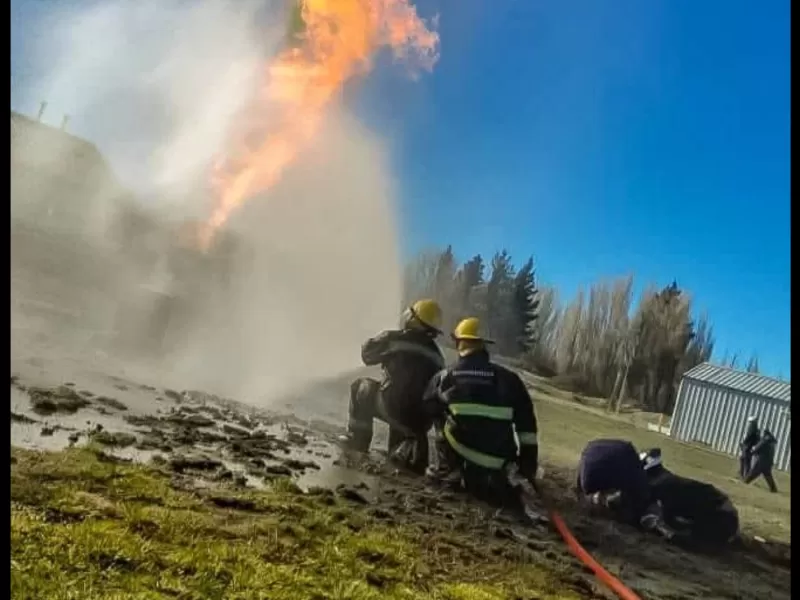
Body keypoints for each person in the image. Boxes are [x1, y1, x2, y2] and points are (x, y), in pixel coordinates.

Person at [422, 317, 539, 508]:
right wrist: (527, 464)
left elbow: (426, 408)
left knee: (439, 414)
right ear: (484, 345)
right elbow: (527, 428)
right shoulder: (510, 380)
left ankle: (448, 470)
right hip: (498, 467)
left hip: (461, 459)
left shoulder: (445, 377)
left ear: (460, 343)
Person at [338, 299, 445, 474]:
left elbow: (367, 355)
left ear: (413, 319)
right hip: (419, 423)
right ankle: (401, 450)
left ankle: (358, 440)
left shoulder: (394, 339)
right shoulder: (438, 356)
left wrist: (380, 339)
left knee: (361, 387)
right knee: (403, 402)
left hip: (394, 408)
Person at [640, 448, 741, 549]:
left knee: (678, 538)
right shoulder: (669, 482)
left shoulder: (664, 488)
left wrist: (660, 526)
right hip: (725, 515)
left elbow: (670, 522)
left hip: (722, 520)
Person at [575, 439, 656, 528]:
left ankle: (594, 503)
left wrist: (582, 490)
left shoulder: (626, 451)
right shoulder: (632, 462)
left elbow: (581, 480)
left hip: (588, 467)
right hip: (603, 469)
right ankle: (604, 507)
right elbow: (641, 494)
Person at [738, 416, 760, 480]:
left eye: (750, 422)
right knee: (743, 460)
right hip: (748, 447)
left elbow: (748, 437)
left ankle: (745, 476)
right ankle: (742, 474)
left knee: (746, 461)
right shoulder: (756, 430)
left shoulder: (752, 429)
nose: (749, 423)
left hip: (747, 447)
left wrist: (743, 443)